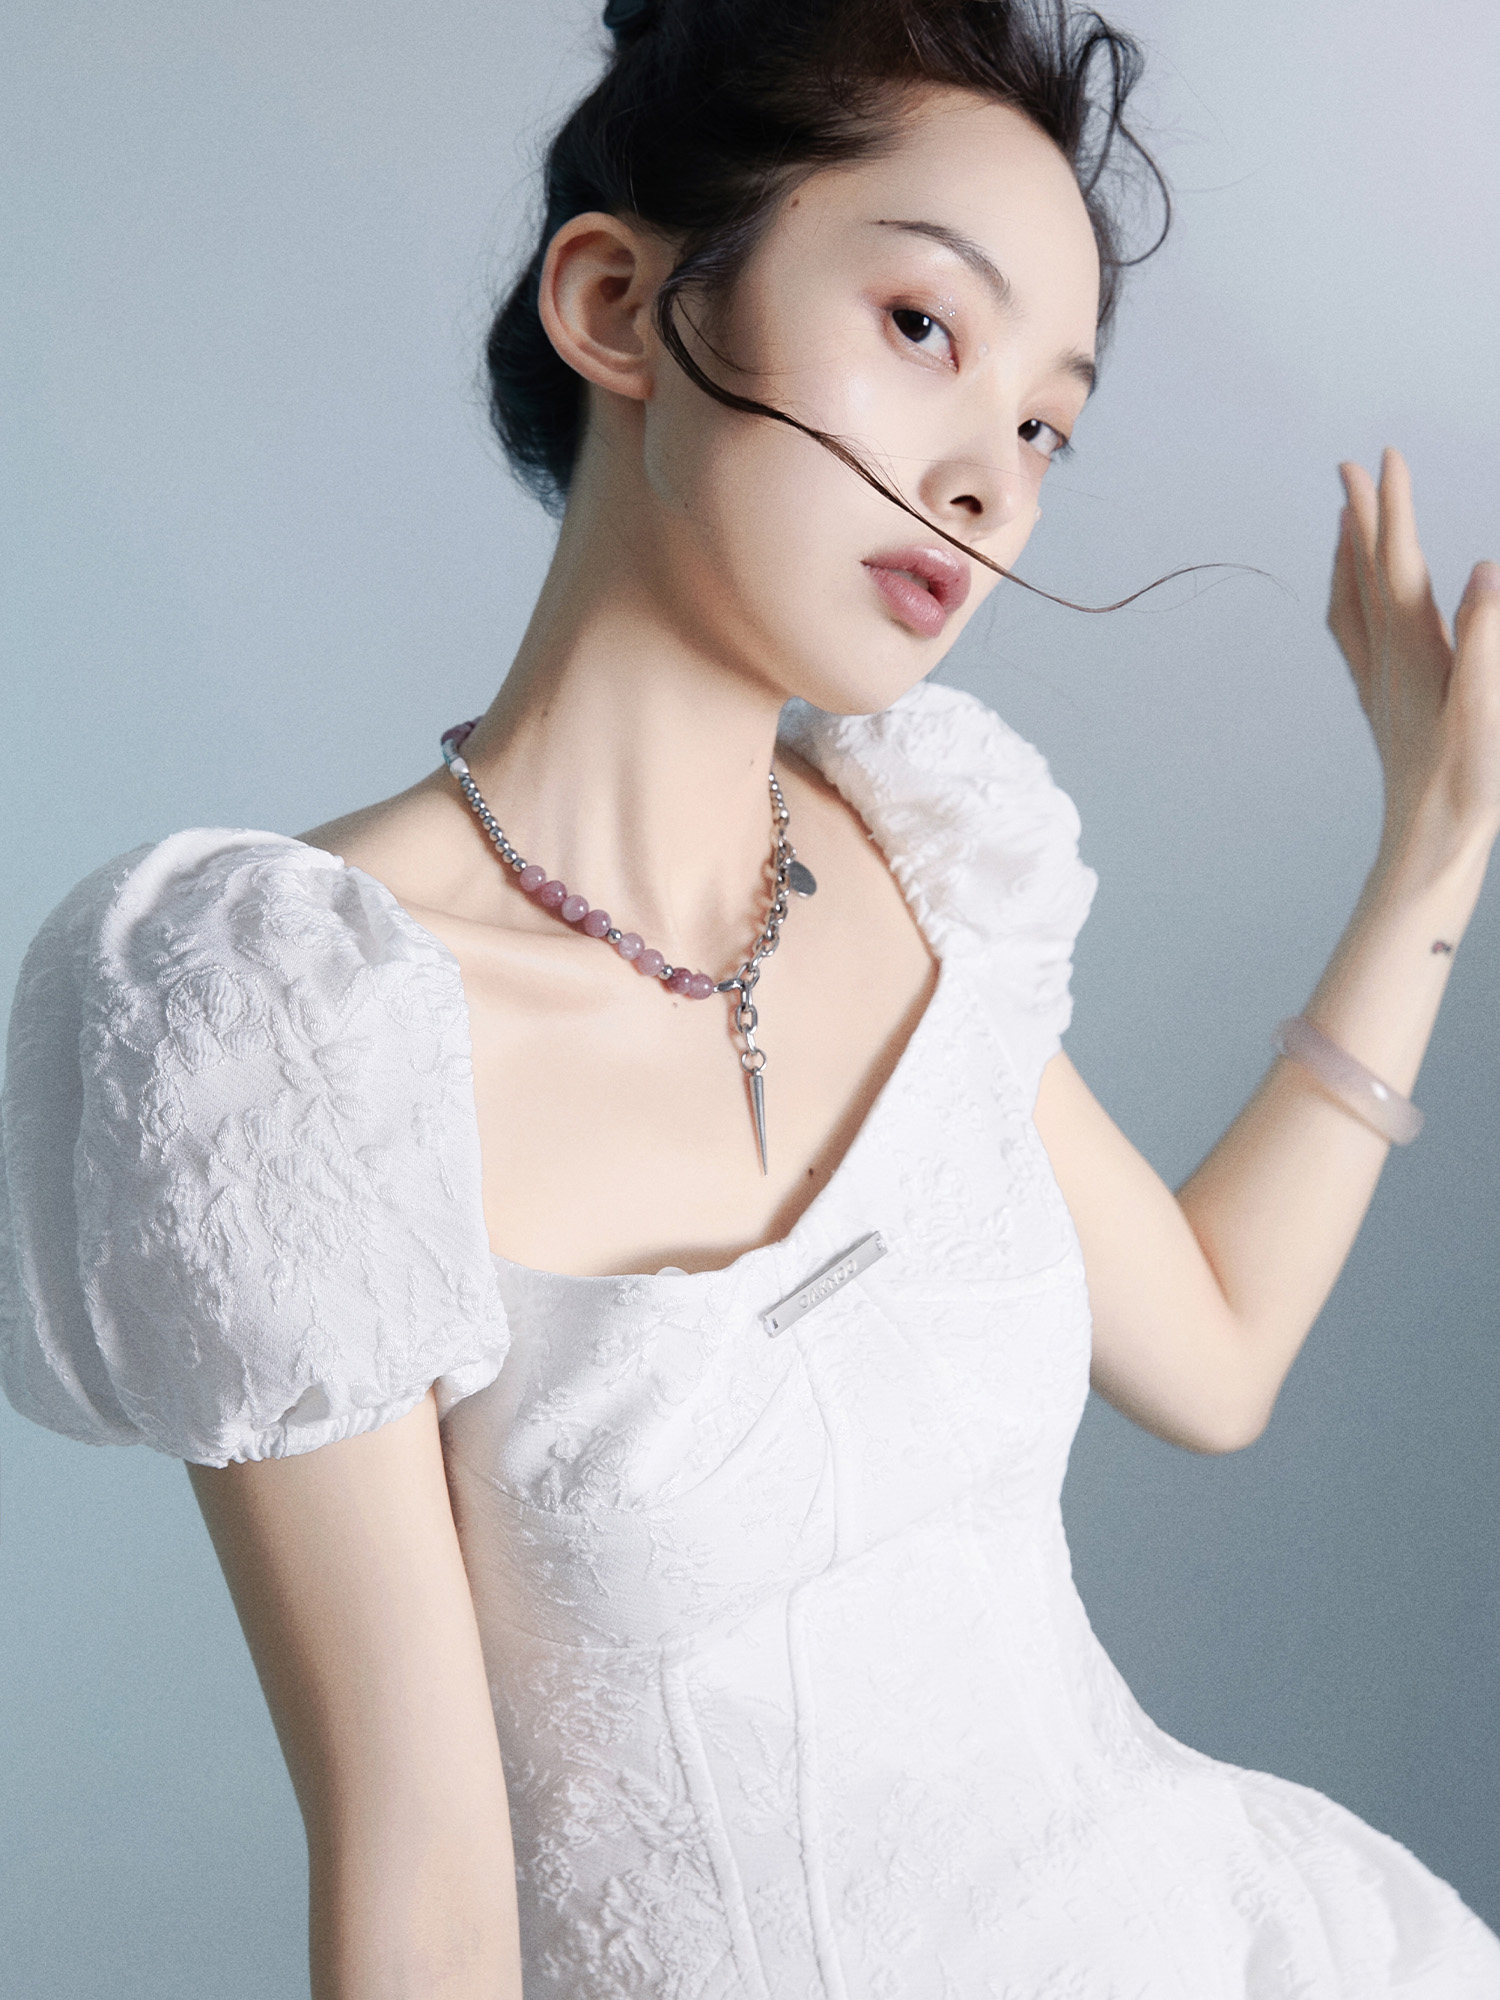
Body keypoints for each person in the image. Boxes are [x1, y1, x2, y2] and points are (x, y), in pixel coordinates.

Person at [3, 0, 1498, 1992]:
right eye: (923, 326)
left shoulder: (922, 865)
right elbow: (421, 1884)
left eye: (1045, 424)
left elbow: (1213, 1355)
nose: (991, 480)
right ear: (618, 305)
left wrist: (1435, 850)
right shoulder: (290, 1039)